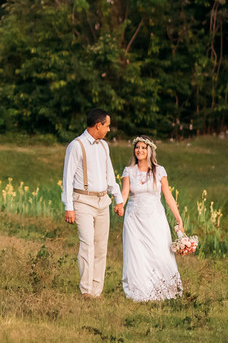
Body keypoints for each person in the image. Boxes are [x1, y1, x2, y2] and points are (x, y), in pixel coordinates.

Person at [62, 108, 125, 297]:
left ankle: (97, 291)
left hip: (102, 201)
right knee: (87, 244)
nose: (108, 129)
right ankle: (86, 291)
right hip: (82, 201)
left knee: (100, 246)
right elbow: (67, 178)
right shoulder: (76, 145)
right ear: (98, 125)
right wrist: (69, 207)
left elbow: (110, 175)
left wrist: (118, 199)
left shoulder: (104, 146)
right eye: (107, 126)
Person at [119, 135, 184, 301]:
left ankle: (164, 288)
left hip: (155, 217)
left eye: (143, 147)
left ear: (149, 150)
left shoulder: (159, 171)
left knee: (159, 250)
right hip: (134, 218)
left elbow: (168, 196)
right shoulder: (129, 171)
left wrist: (179, 219)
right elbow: (125, 192)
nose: (139, 150)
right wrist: (120, 204)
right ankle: (140, 290)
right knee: (137, 253)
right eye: (137, 147)